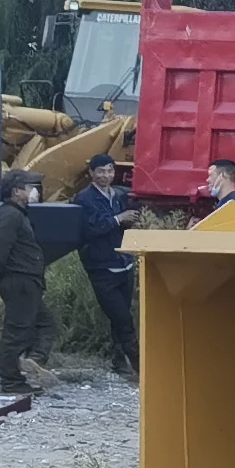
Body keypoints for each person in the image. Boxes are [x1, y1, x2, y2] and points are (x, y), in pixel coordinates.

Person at [0, 169, 52, 412]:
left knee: (45, 323)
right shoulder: (10, 216)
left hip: (27, 280)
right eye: (28, 186)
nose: (33, 191)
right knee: (17, 331)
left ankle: (33, 361)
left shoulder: (17, 214)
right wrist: (1, 275)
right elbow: (0, 251)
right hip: (19, 280)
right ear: (16, 191)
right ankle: (12, 380)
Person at [72, 154, 138, 376]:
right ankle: (140, 367)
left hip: (124, 263)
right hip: (101, 267)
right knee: (123, 318)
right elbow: (89, 230)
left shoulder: (119, 195)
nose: (105, 175)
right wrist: (119, 219)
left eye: (109, 171)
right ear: (91, 173)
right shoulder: (83, 199)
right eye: (100, 171)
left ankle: (119, 361)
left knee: (120, 317)